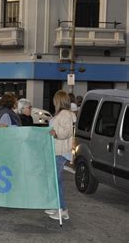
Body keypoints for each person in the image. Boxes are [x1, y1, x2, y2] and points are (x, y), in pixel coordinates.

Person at [46, 90, 76, 220]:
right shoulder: (63, 114)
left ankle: (63, 209)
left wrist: (55, 133)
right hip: (58, 150)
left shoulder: (65, 114)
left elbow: (67, 132)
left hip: (61, 151)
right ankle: (57, 205)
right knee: (56, 180)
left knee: (56, 180)